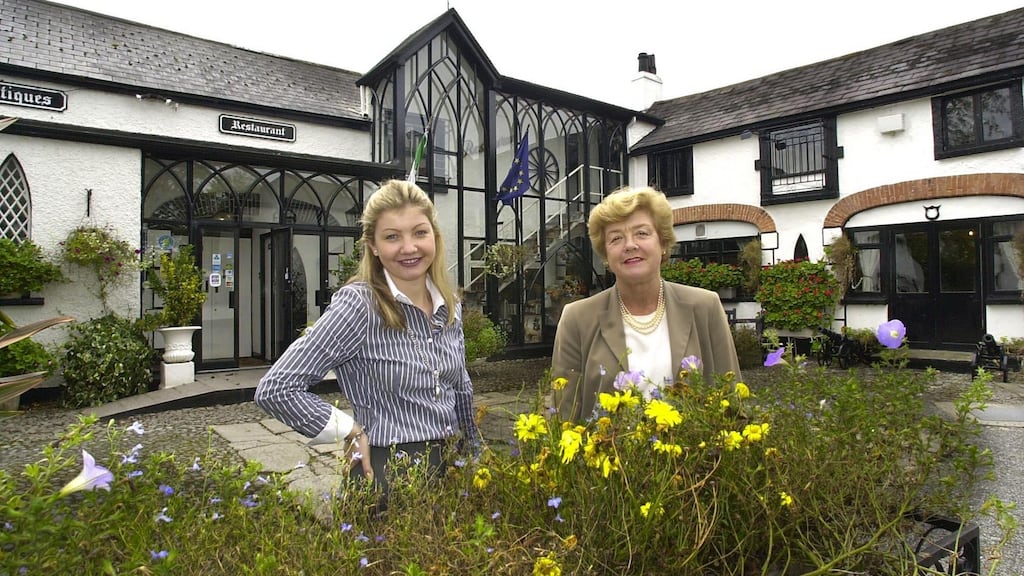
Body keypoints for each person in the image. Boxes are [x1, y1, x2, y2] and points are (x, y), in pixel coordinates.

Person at [255, 179, 480, 508]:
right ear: (373, 246)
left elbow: (459, 384)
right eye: (392, 236)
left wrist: (475, 453)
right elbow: (276, 388)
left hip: (451, 469)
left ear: (434, 236)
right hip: (387, 476)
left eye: (419, 232)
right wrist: (348, 430)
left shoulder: (450, 305)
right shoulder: (360, 305)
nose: (409, 247)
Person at [552, 186, 741, 421]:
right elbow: (562, 417)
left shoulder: (705, 307)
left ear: (663, 244)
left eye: (641, 233)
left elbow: (731, 401)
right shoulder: (577, 318)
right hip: (608, 456)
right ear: (606, 256)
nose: (630, 244)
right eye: (616, 238)